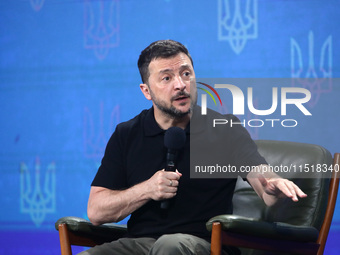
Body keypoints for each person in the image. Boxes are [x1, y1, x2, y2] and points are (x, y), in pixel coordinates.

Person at [80, 40, 307, 255]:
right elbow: (97, 211)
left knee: (169, 245)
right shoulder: (127, 134)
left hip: (206, 245)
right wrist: (147, 190)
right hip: (140, 244)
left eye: (186, 74)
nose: (180, 85)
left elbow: (261, 179)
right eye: (166, 78)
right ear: (146, 91)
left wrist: (272, 186)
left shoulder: (224, 128)